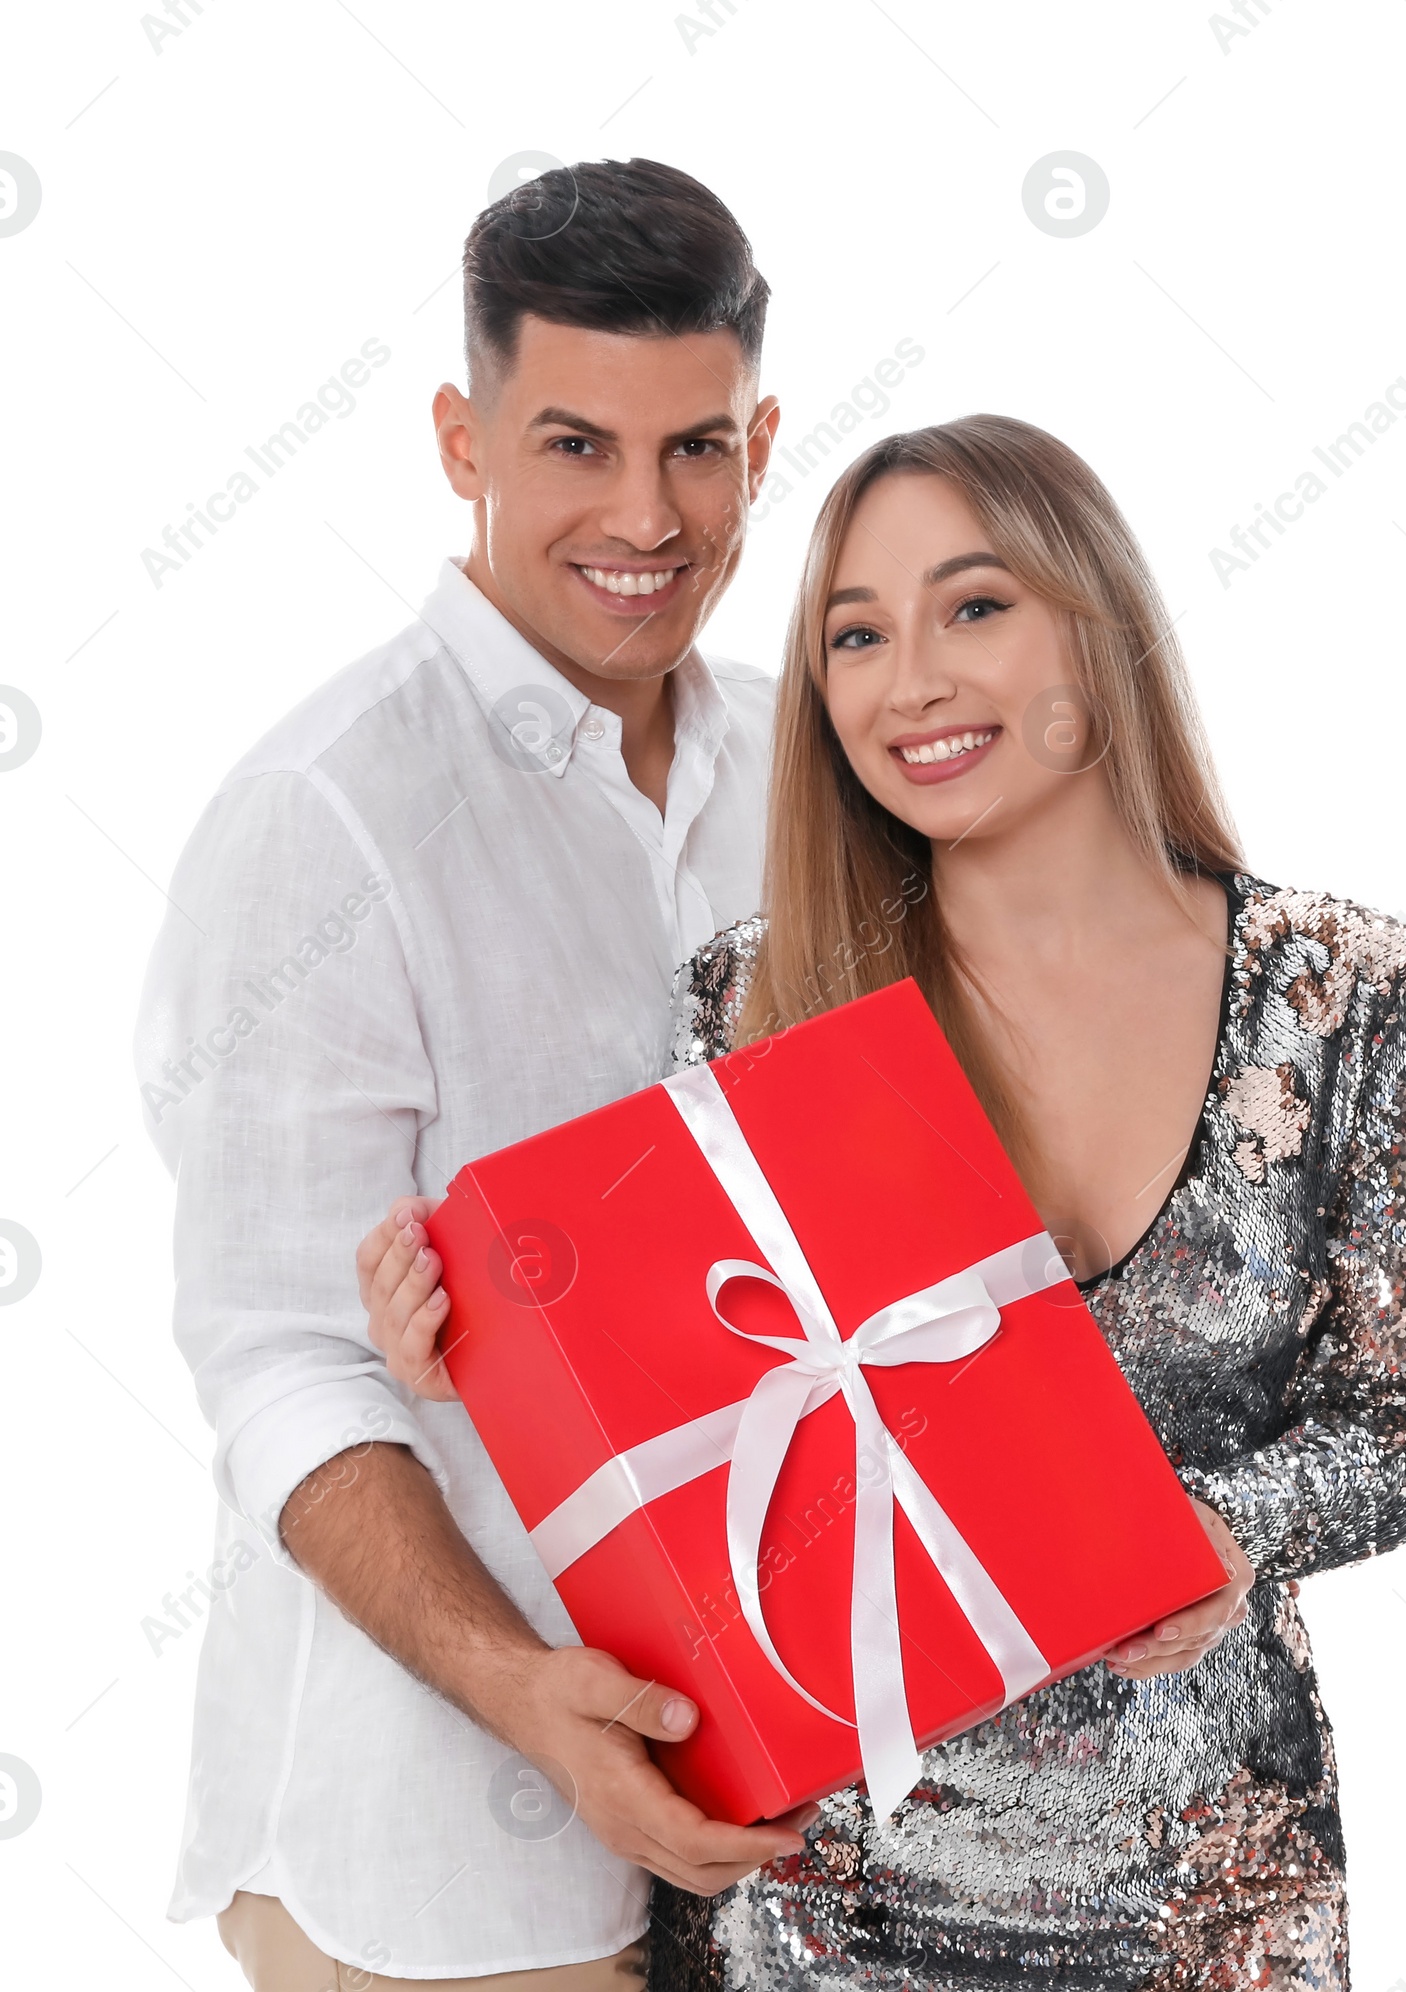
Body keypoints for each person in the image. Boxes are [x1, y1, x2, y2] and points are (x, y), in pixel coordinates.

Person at [364, 415, 1406, 1991]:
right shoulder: (756, 1002)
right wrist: (463, 1341)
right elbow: (678, 1423)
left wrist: (1224, 1528)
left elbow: (1399, 1430)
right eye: (855, 637)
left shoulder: (1339, 994)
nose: (910, 682)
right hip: (826, 1897)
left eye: (975, 607)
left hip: (1209, 1899)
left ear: (1099, 626)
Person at [136, 157, 813, 1992]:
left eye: (699, 449)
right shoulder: (328, 814)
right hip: (431, 1855)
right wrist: (522, 1694)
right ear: (463, 437)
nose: (647, 516)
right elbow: (278, 1357)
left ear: (764, 444)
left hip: (766, 1805)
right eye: (576, 444)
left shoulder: (803, 773)